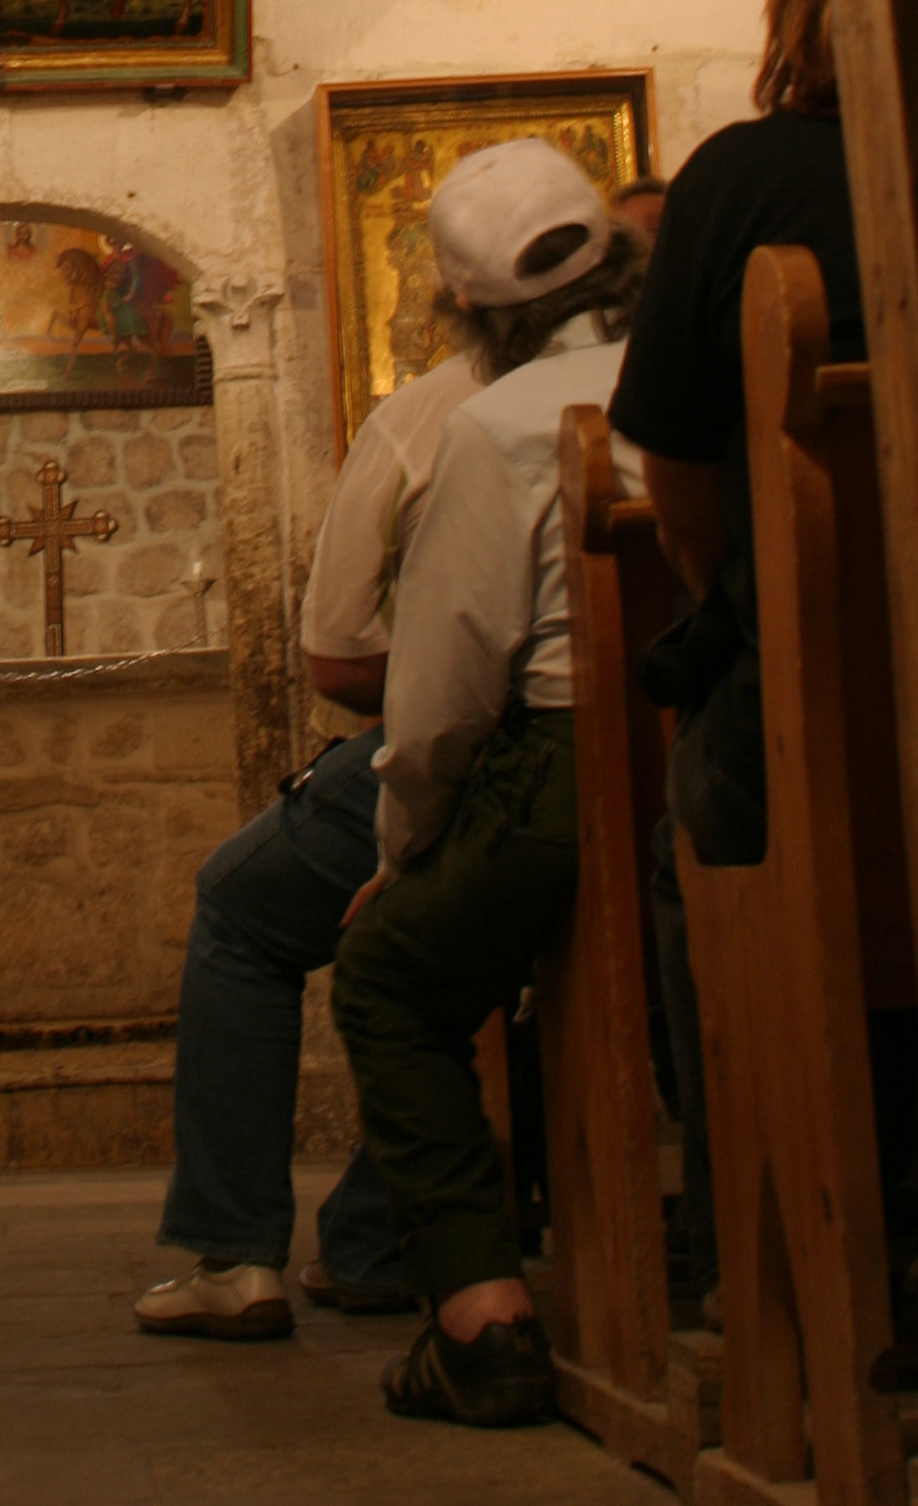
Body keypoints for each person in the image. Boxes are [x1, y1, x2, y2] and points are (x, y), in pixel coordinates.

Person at [135, 250, 519, 1343]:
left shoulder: (433, 416)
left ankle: (237, 1251)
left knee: (242, 904)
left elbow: (340, 661)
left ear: (459, 299)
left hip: (482, 762)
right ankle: (367, 1237)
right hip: (650, 774)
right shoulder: (660, 387)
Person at [330, 138, 647, 1428]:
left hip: (569, 774)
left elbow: (439, 703)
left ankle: (481, 1320)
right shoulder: (698, 376)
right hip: (724, 765)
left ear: (463, 304)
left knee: (385, 974)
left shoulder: (498, 424)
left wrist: (401, 853)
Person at [610, 0, 882, 1299]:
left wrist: (746, 591)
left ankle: (762, 1259)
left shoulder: (742, 186)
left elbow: (680, 491)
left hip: (826, 693)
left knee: (700, 838)